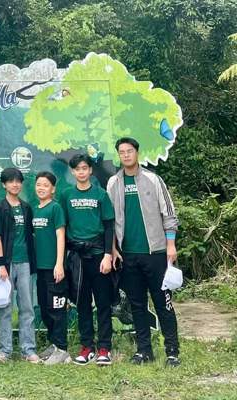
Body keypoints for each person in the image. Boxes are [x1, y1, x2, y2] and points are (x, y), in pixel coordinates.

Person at [107, 137, 181, 367]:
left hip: (156, 252)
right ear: (118, 156)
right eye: (122, 152)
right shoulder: (113, 183)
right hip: (128, 255)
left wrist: (171, 245)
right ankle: (144, 350)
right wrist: (113, 249)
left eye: (129, 151)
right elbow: (110, 221)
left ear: (137, 153)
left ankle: (172, 352)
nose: (126, 155)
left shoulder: (153, 179)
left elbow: (169, 214)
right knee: (137, 305)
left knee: (163, 303)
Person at [59, 154, 115, 366]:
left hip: (99, 255)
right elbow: (62, 227)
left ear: (90, 170)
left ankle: (104, 348)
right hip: (77, 257)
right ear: (72, 172)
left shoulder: (101, 194)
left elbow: (109, 226)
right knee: (82, 303)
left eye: (85, 168)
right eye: (77, 169)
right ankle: (87, 347)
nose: (81, 172)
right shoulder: (66, 195)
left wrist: (108, 255)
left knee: (103, 303)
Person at [0, 167, 40, 364]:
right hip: (6, 265)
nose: (15, 184)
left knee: (27, 307)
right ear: (4, 184)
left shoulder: (27, 208)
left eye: (18, 181)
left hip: (26, 263)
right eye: (10, 181)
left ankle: (28, 350)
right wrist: (1, 264)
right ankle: (5, 351)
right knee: (5, 308)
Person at [32, 171, 70, 365]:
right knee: (45, 308)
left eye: (45, 185)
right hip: (40, 268)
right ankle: (54, 344)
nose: (41, 188)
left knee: (57, 309)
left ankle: (62, 349)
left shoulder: (55, 208)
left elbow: (60, 236)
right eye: (39, 184)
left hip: (54, 269)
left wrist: (59, 264)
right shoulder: (35, 209)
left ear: (53, 189)